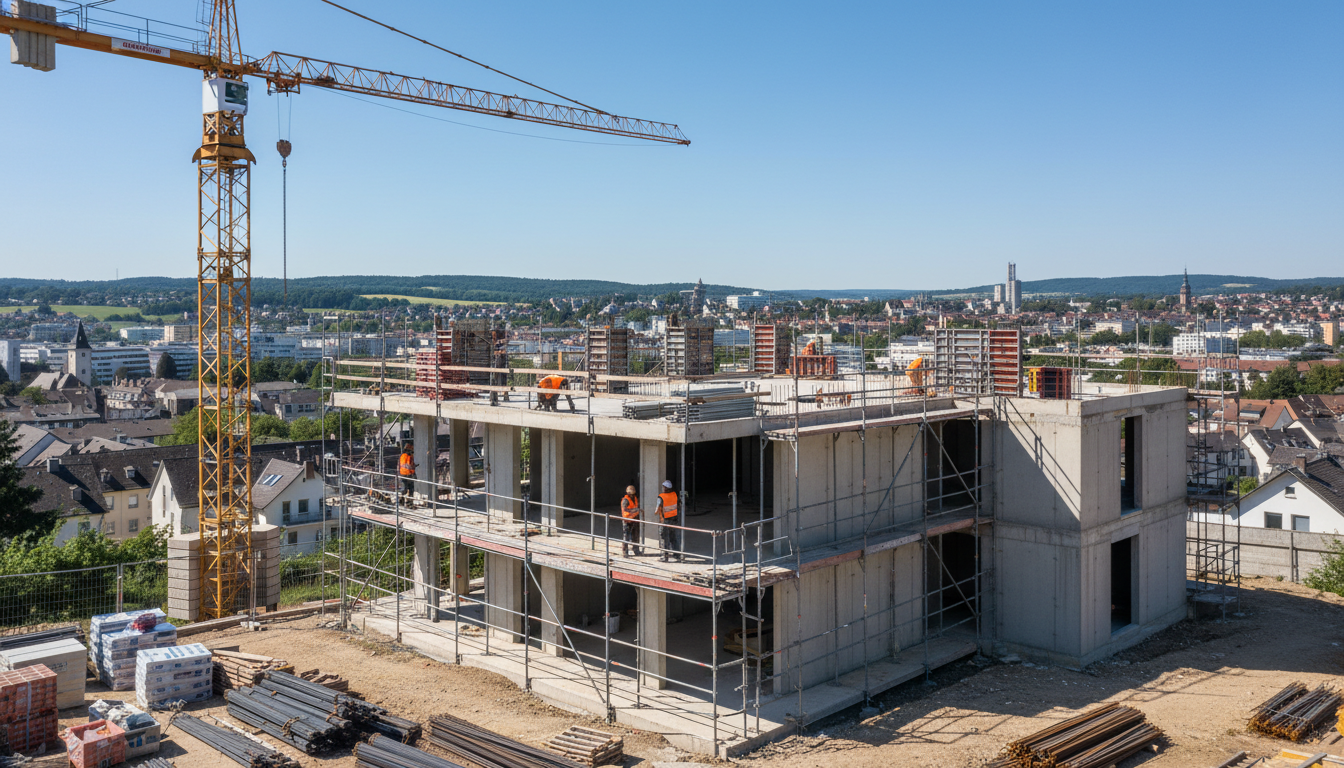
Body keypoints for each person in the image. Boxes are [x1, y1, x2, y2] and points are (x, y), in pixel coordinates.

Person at [655, 480, 681, 562]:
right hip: (674, 520)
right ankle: (677, 555)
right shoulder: (674, 495)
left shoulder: (661, 497)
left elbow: (656, 510)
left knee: (664, 539)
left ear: (665, 488)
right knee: (673, 537)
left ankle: (664, 557)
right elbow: (679, 506)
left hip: (665, 520)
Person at [620, 485, 642, 557]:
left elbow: (636, 506)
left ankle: (636, 550)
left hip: (634, 519)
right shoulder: (625, 500)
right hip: (627, 520)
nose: (631, 495)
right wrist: (634, 510)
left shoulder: (635, 498)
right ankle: (625, 552)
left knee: (635, 536)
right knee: (626, 536)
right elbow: (625, 509)